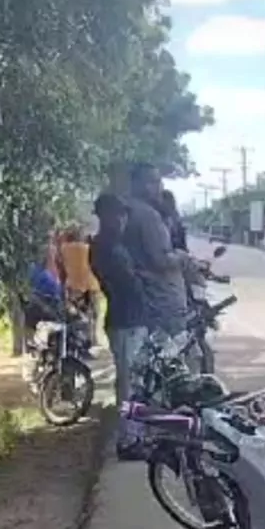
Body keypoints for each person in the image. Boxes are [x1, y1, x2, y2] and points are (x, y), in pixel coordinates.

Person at [89, 193, 149, 459]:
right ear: (105, 216)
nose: (122, 220)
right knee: (128, 383)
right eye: (117, 215)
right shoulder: (105, 248)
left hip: (131, 318)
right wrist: (140, 279)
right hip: (124, 320)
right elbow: (127, 282)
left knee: (133, 381)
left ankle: (135, 433)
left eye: (124, 215)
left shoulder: (115, 245)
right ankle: (128, 439)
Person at [124, 162, 188, 335]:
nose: (159, 187)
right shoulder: (147, 216)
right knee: (173, 347)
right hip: (160, 300)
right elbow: (161, 260)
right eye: (153, 182)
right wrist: (181, 257)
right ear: (137, 184)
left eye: (159, 182)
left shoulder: (126, 210)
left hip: (140, 300)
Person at [59, 225, 102, 346]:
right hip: (90, 284)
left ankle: (76, 338)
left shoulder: (64, 248)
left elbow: (61, 268)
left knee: (74, 314)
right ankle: (93, 337)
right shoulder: (88, 248)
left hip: (72, 285)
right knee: (93, 313)